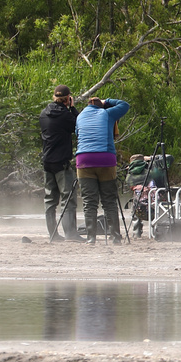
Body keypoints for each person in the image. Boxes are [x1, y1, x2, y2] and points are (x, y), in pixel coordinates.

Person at [75, 94, 131, 243]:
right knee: (109, 200)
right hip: (105, 158)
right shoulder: (107, 113)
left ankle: (91, 237)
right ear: (102, 105)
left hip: (84, 159)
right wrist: (108, 101)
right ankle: (115, 237)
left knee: (89, 201)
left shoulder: (79, 116)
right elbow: (125, 105)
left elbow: (77, 134)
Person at [38, 85, 80, 242]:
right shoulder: (66, 116)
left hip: (47, 161)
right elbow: (79, 125)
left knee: (50, 200)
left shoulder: (43, 114)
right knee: (68, 197)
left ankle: (53, 234)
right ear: (68, 99)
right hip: (61, 162)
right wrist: (73, 108)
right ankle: (70, 233)